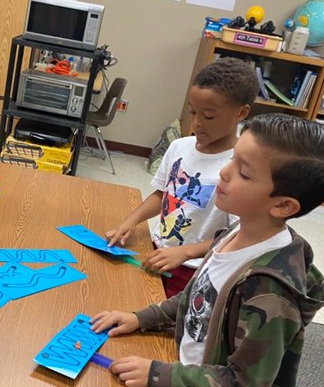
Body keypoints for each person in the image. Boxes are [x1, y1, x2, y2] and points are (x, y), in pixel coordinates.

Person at [92, 113, 324, 387]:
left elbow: (243, 384)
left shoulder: (270, 291)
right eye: (233, 160)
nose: (223, 172)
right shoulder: (237, 233)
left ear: (283, 205)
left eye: (244, 173)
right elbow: (197, 297)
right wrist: (143, 318)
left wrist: (156, 374)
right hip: (187, 386)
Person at [105, 59, 257, 297]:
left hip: (194, 269)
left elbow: (240, 236)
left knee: (163, 324)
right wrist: (131, 221)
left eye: (208, 116)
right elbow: (163, 194)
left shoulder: (240, 168)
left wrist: (185, 253)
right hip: (158, 250)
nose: (196, 123)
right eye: (193, 112)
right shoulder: (179, 147)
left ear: (241, 113)